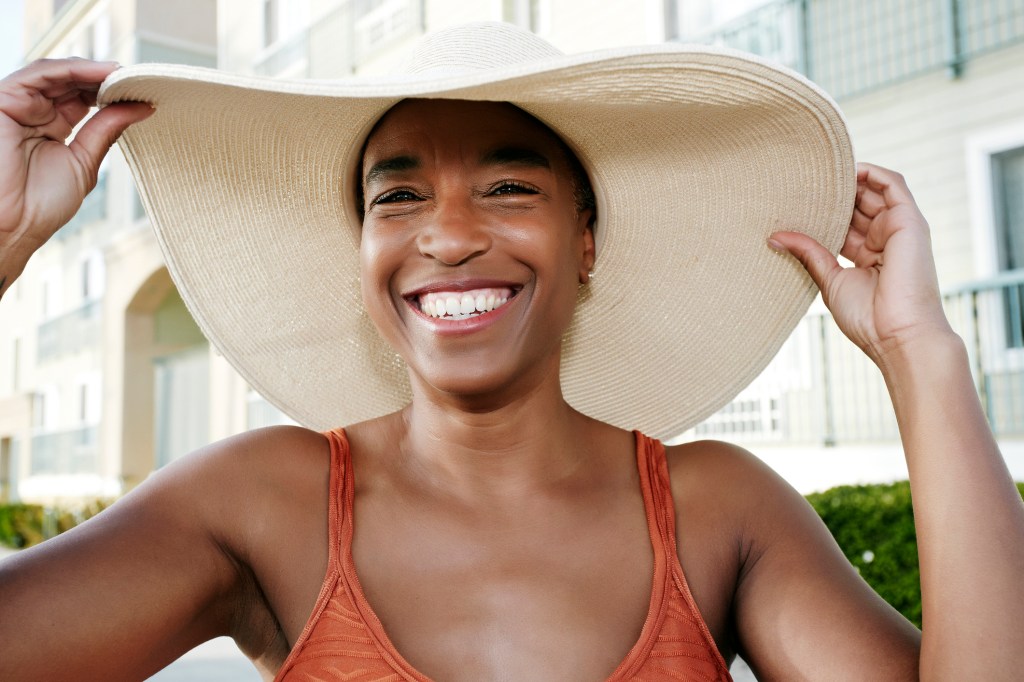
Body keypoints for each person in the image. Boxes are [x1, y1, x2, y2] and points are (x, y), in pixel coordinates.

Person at [1, 22, 1022, 682]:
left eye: (506, 186)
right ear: (362, 250)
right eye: (396, 196)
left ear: (584, 240)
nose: (445, 237)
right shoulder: (259, 500)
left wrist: (919, 352)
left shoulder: (720, 510)